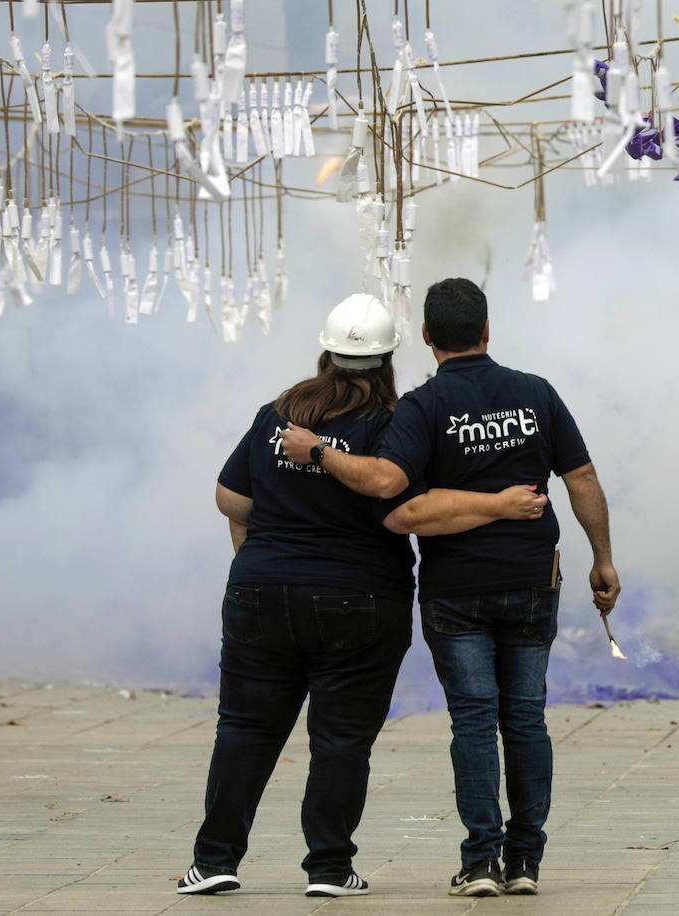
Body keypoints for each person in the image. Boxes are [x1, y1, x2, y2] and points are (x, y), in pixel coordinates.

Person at [178, 293, 548, 899]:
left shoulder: (279, 415)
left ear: (325, 352)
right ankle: (327, 869)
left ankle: (215, 859)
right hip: (361, 601)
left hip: (262, 594)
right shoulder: (395, 424)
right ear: (389, 357)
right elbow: (410, 507)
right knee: (341, 738)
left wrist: (259, 560)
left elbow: (231, 499)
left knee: (244, 727)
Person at [281, 277, 620, 898]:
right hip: (532, 579)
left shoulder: (421, 408)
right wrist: (603, 558)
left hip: (455, 590)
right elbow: (583, 476)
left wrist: (321, 454)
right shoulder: (536, 394)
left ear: (428, 337)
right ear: (488, 331)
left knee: (473, 720)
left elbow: (399, 505)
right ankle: (526, 863)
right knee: (525, 719)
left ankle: (482, 862)